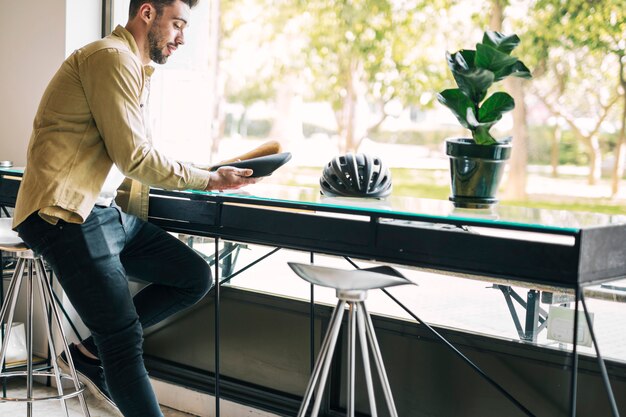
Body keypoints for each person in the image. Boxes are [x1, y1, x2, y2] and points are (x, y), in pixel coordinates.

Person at [12, 1, 256, 416]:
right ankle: (104, 348)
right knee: (123, 342)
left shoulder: (132, 67)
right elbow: (136, 158)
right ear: (147, 13)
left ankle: (90, 354)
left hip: (103, 212)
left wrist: (205, 172)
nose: (182, 37)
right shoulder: (110, 59)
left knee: (193, 276)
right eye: (177, 24)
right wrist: (208, 179)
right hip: (64, 214)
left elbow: (134, 154)